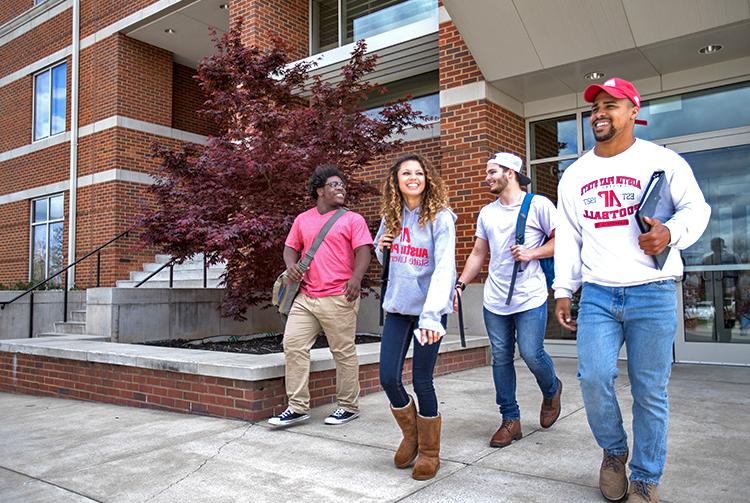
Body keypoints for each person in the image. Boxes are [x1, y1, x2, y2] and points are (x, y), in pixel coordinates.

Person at [554, 77, 710, 502]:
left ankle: (645, 478)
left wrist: (671, 233)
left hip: (653, 291)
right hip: (600, 293)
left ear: (633, 112)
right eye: (594, 108)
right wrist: (563, 289)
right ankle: (614, 451)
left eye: (611, 105)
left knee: (649, 391)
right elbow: (568, 236)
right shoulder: (576, 174)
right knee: (593, 377)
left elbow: (698, 208)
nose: (599, 113)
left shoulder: (663, 161)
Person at [454, 152, 562, 449]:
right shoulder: (487, 212)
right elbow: (478, 253)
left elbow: (561, 240)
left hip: (530, 296)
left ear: (510, 172)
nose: (487, 177)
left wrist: (531, 253)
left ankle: (552, 389)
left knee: (531, 353)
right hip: (495, 299)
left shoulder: (538, 205)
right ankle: (510, 420)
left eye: (492, 172)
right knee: (501, 358)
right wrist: (461, 284)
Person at [268, 164, 372, 427]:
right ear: (319, 190)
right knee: (293, 345)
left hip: (339, 295)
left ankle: (348, 406)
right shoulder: (303, 219)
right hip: (306, 296)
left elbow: (363, 252)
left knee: (343, 352)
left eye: (343, 185)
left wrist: (356, 279)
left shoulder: (353, 219)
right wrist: (291, 266)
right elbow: (290, 248)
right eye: (335, 185)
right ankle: (297, 407)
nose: (341, 189)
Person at [375, 153, 456, 481]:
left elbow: (444, 268)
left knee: (422, 380)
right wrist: (382, 246)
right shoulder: (390, 215)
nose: (412, 177)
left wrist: (432, 315)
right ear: (396, 180)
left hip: (428, 314)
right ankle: (412, 435)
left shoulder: (440, 217)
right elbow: (387, 260)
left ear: (427, 178)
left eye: (418, 173)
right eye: (405, 173)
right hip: (397, 309)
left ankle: (430, 452)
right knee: (388, 378)